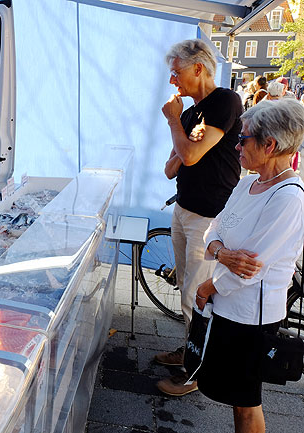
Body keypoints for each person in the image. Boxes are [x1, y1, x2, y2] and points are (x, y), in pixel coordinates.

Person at [195, 98, 304, 433]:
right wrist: (222, 252)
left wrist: (208, 285)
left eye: (243, 139)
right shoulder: (247, 183)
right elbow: (212, 230)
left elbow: (250, 269)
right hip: (229, 306)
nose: (237, 145)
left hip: (251, 315)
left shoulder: (288, 197)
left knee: (246, 402)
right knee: (235, 396)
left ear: (269, 145)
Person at [157, 39, 243, 396]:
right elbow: (170, 167)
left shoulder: (225, 101)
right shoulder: (192, 113)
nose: (173, 81)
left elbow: (189, 157)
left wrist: (175, 122)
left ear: (198, 68)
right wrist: (181, 135)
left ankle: (196, 372)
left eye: (176, 73)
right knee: (185, 286)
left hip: (209, 217)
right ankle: (189, 352)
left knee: (198, 291)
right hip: (183, 208)